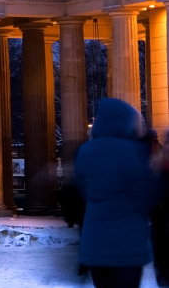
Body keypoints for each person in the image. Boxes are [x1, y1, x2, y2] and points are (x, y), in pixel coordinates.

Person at [75, 97, 160, 288]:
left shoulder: (85, 151)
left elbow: (83, 192)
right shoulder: (133, 150)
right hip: (127, 246)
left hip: (94, 244)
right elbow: (147, 195)